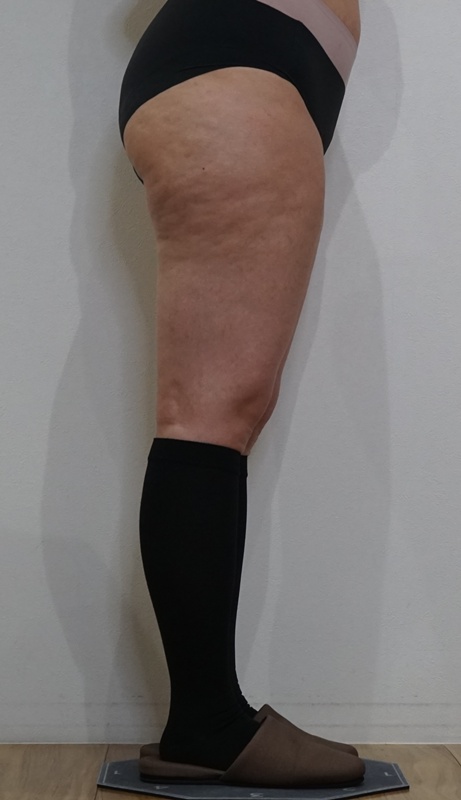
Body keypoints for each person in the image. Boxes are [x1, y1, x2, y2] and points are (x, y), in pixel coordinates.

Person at [118, 0, 364, 788]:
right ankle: (207, 725)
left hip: (251, 68)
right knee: (207, 415)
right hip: (238, 69)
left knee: (226, 410)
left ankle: (207, 719)